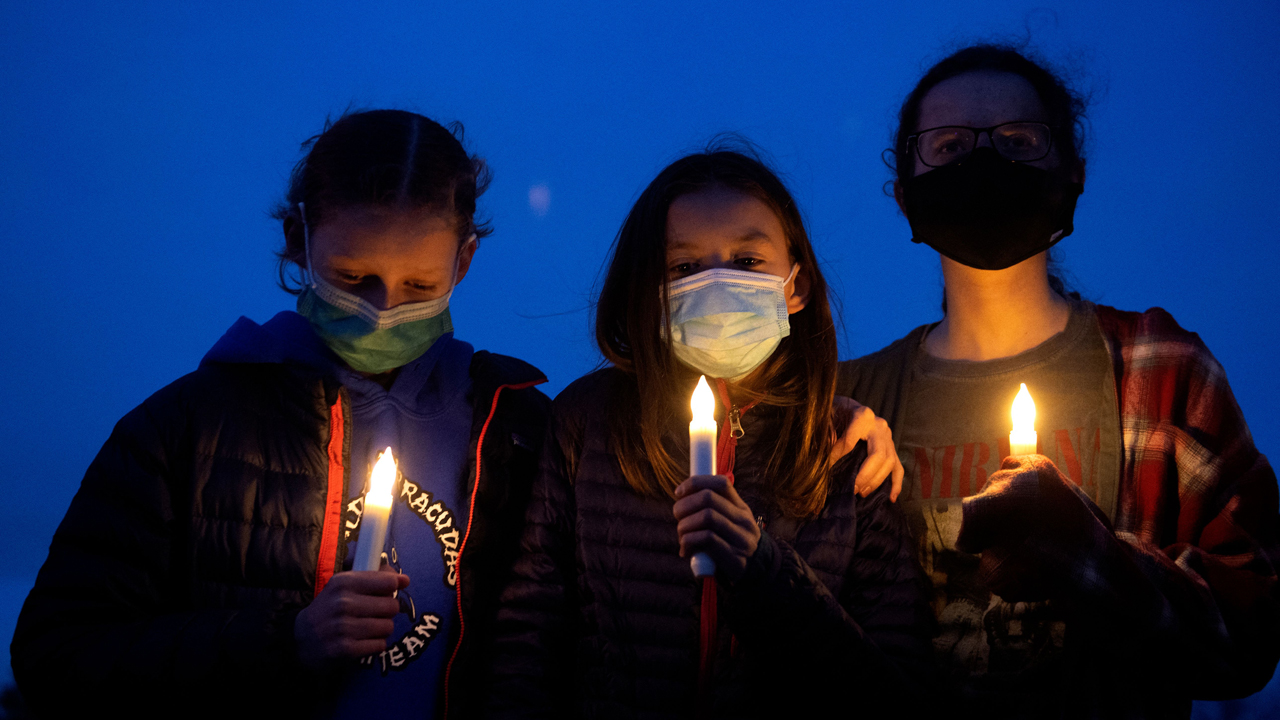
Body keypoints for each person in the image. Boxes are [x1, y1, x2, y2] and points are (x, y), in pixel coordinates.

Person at [11, 109, 551, 719]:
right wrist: (286, 642)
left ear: (465, 261)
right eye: (354, 277)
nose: (382, 311)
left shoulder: (518, 432)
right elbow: (56, 657)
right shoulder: (185, 430)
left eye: (419, 287)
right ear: (299, 239)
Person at [840, 44, 1280, 717]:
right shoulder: (853, 404)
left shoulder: (1165, 373)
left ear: (1072, 175)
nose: (984, 162)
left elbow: (1251, 635)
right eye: (950, 144)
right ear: (903, 192)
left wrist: (1083, 551)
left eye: (1018, 140)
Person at [487, 147, 935, 718]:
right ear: (647, 291)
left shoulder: (846, 448)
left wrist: (764, 571)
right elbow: (530, 632)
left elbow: (897, 684)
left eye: (748, 261)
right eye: (684, 268)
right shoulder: (588, 423)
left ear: (796, 285)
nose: (717, 282)